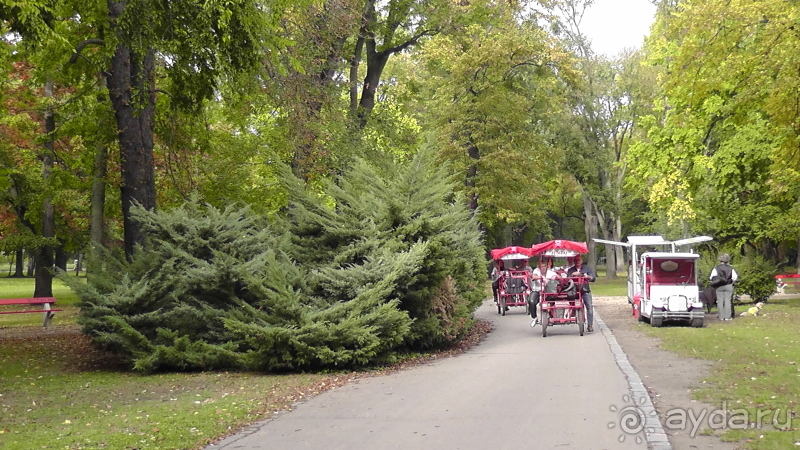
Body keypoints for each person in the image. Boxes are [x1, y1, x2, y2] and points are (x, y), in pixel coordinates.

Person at [568, 254, 596, 332]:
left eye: (579, 260)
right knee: (569, 301)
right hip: (574, 291)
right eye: (576, 260)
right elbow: (567, 279)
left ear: (581, 261)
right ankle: (573, 313)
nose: (577, 262)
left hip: (585, 290)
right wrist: (572, 275)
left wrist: (588, 277)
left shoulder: (586, 269)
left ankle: (590, 325)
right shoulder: (571, 270)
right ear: (574, 261)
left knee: (589, 307)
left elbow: (593, 278)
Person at [710, 253, 738, 321]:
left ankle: (721, 317)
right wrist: (730, 282)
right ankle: (728, 317)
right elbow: (735, 277)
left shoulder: (716, 268)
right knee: (728, 301)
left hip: (719, 286)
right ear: (727, 260)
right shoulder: (731, 268)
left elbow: (711, 277)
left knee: (720, 301)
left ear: (720, 260)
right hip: (728, 285)